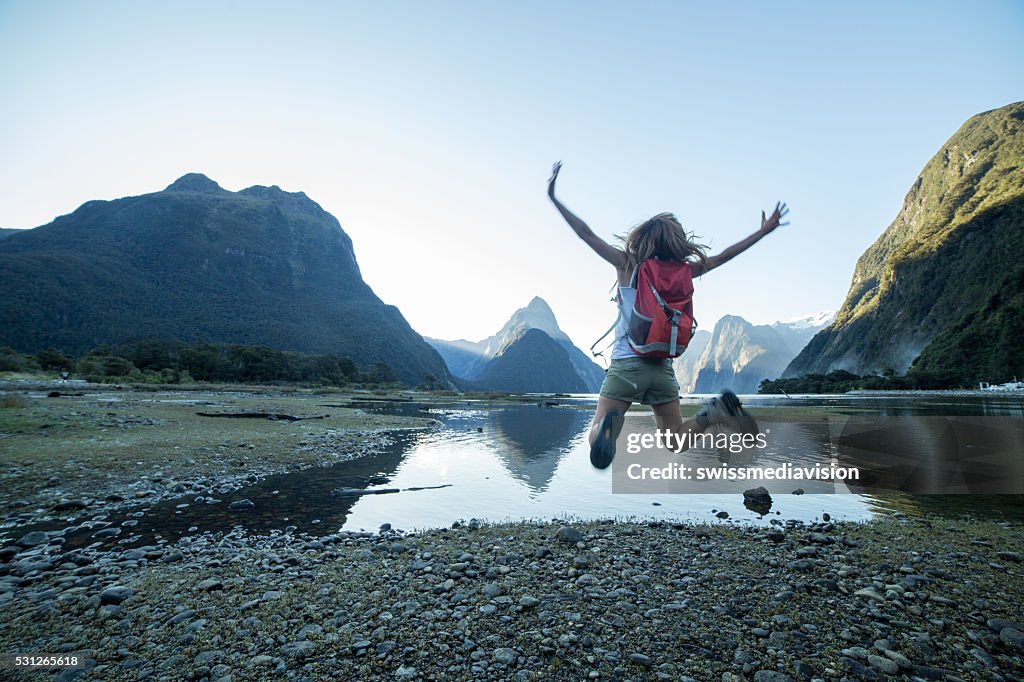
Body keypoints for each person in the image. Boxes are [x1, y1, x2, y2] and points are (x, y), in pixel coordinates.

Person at [547, 161, 788, 468]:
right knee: (675, 440)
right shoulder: (687, 270)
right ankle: (714, 412)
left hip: (626, 366)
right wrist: (763, 232)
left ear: (643, 238)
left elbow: (586, 234)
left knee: (599, 430)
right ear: (677, 241)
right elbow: (727, 254)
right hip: (661, 369)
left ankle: (608, 427)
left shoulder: (626, 264)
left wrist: (554, 198)